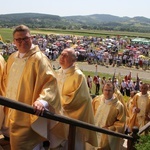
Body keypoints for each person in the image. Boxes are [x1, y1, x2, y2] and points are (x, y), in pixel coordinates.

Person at [1, 24, 62, 150]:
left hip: (27, 114)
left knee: (26, 145)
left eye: (26, 38)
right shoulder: (12, 58)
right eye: (19, 39)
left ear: (31, 38)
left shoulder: (39, 59)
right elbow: (5, 81)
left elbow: (50, 82)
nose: (22, 42)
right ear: (14, 42)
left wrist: (42, 100)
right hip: (12, 111)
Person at [56, 48, 97, 150]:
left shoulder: (78, 76)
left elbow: (76, 101)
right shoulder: (57, 73)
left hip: (72, 119)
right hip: (57, 115)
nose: (62, 57)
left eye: (65, 56)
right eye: (61, 54)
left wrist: (54, 102)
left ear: (73, 60)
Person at [93, 82, 126, 150]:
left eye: (109, 90)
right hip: (94, 131)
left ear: (113, 91)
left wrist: (110, 129)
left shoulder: (118, 106)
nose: (107, 93)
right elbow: (91, 112)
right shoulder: (97, 100)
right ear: (102, 90)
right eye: (105, 90)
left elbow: (121, 123)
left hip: (106, 135)